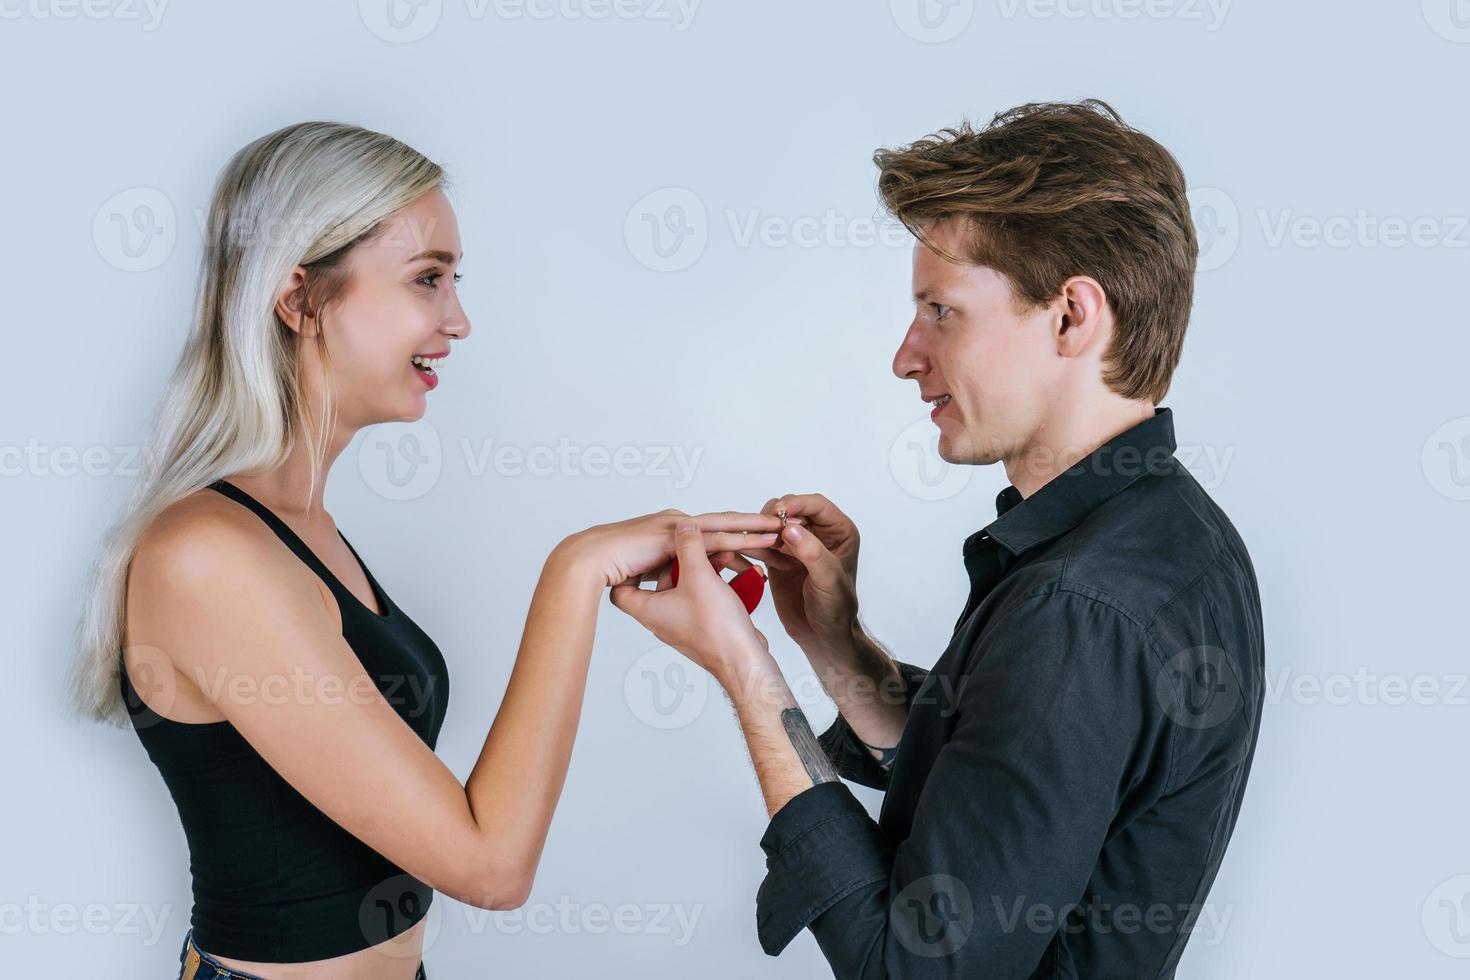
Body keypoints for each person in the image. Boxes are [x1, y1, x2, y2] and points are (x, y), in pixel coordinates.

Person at [69, 121, 781, 979]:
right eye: (427, 279)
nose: (459, 319)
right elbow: (489, 864)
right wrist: (576, 568)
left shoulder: (300, 529)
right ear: (299, 300)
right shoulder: (206, 554)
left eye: (453, 279)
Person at [610, 100, 1266, 978]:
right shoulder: (1180, 537)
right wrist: (832, 642)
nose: (906, 355)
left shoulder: (1079, 611)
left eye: (941, 311)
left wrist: (747, 671)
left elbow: (907, 968)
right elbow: (999, 795)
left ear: (1072, 316)